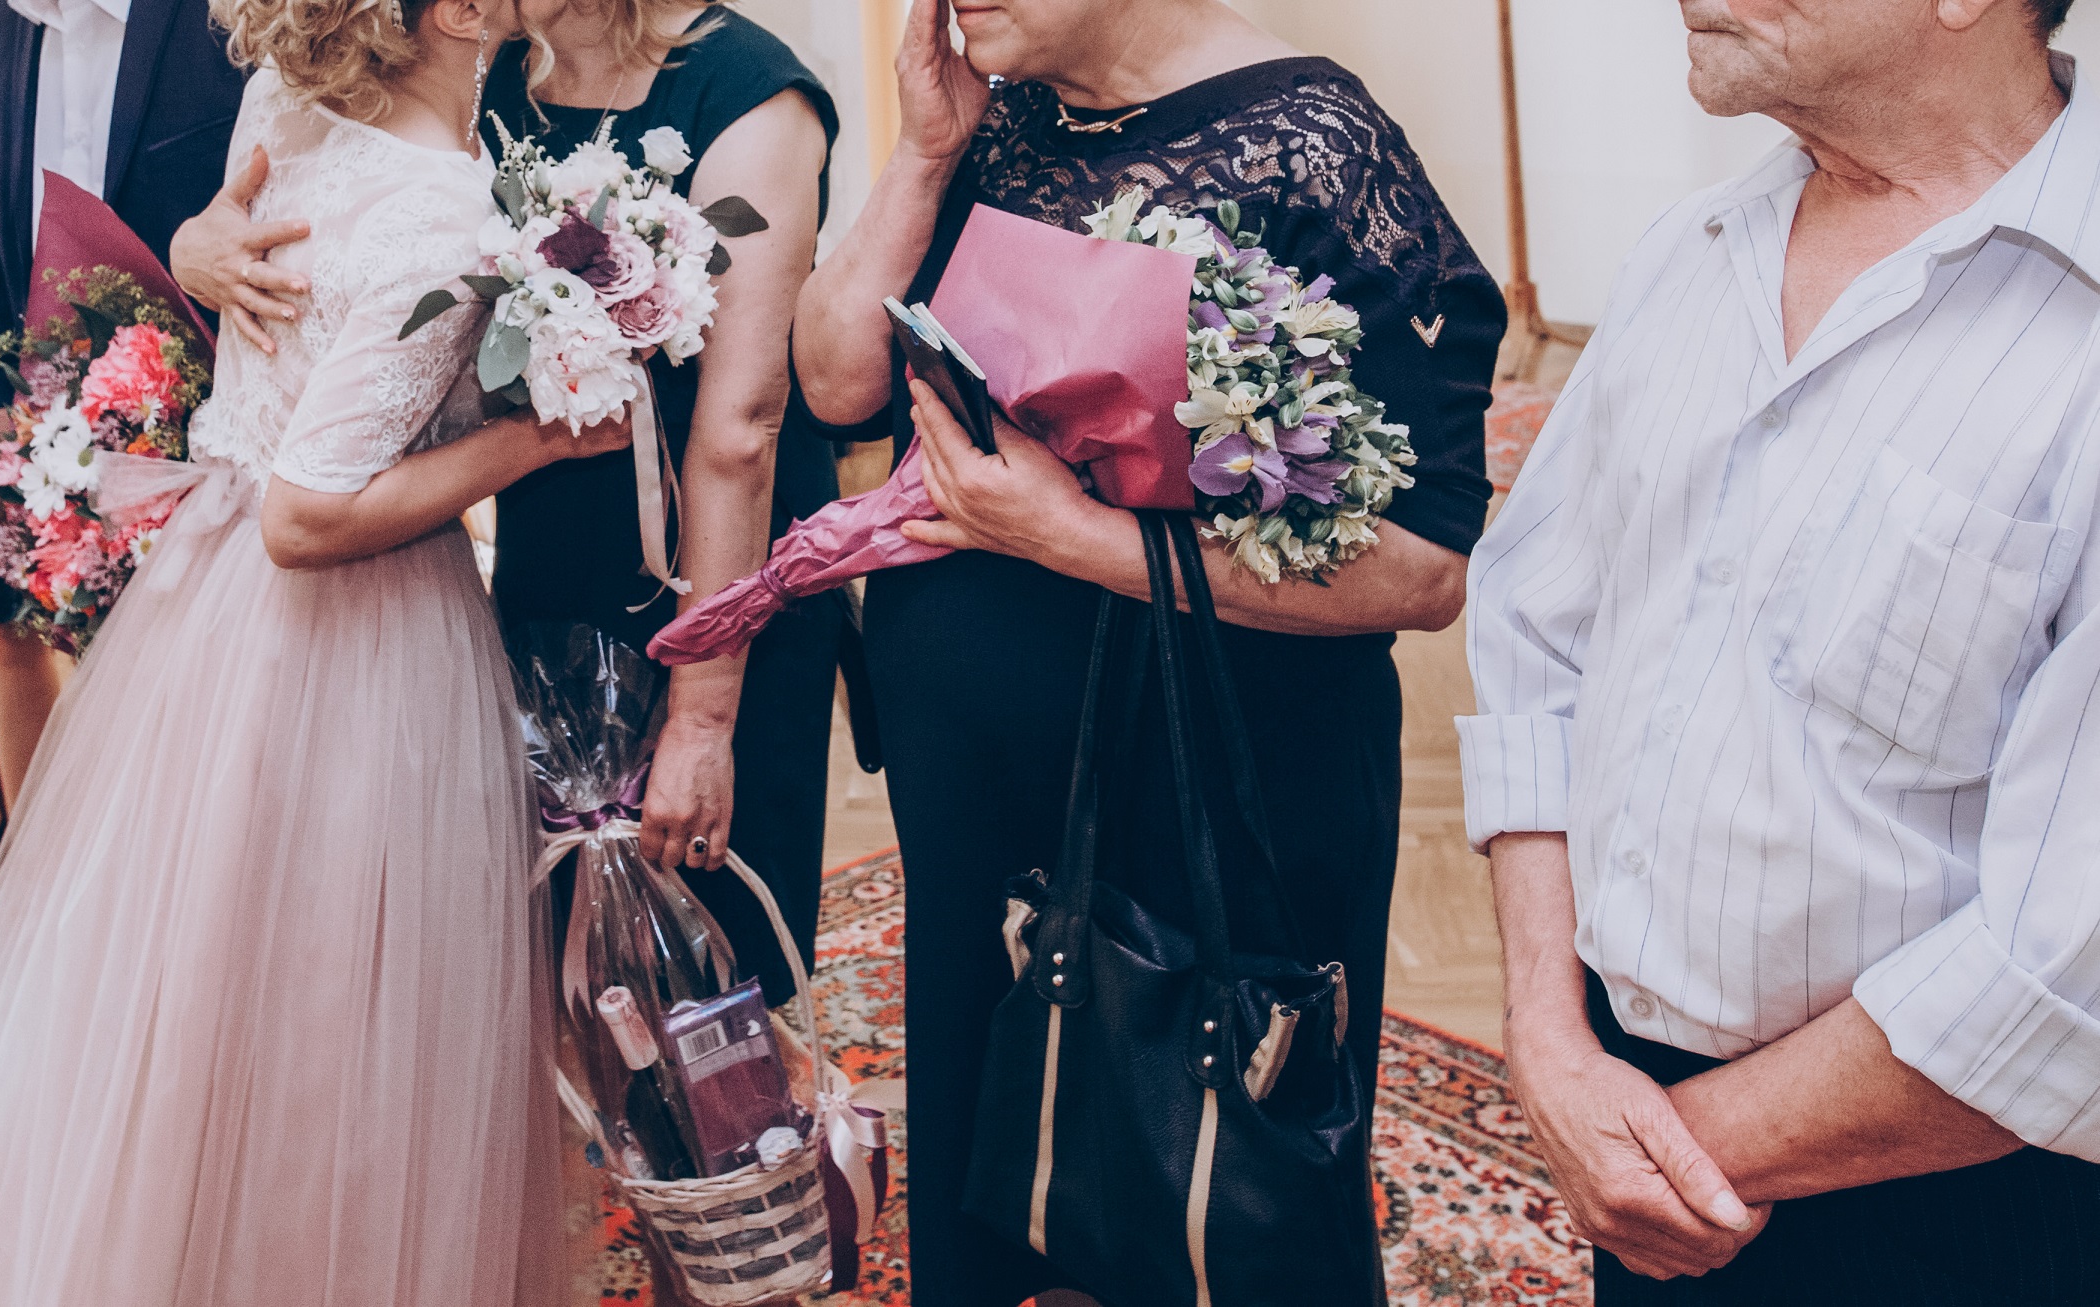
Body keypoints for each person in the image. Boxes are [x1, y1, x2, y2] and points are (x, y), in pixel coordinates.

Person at [0, 0, 613, 1297]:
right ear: (458, 13)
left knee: (171, 1005)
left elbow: (234, 276)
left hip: (202, 616)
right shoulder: (449, 211)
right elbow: (310, 512)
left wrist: (191, 240)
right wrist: (547, 434)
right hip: (356, 643)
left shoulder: (285, 106)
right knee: (339, 1025)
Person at [792, 1, 1503, 1301]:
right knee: (997, 1168)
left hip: (1206, 800)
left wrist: (1066, 535)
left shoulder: (1319, 146)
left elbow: (1424, 562)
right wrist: (924, 150)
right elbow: (836, 379)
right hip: (978, 808)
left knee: (1203, 1194)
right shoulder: (1000, 130)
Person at [1459, 0, 2100, 1300]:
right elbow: (1535, 639)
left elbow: (2061, 965)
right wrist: (1546, 1031)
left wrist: (1656, 1150)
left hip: (1960, 1205)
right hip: (1634, 1136)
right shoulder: (1688, 254)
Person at [480, 0, 841, 1004]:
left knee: (720, 1003)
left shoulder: (751, 95)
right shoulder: (493, 75)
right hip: (547, 577)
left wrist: (700, 718)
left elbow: (740, 427)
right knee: (586, 990)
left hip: (718, 596)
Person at [0, 0, 248, 809]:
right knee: (13, 637)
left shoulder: (217, 15)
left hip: (213, 438)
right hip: (34, 412)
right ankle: (43, 891)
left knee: (191, 696)